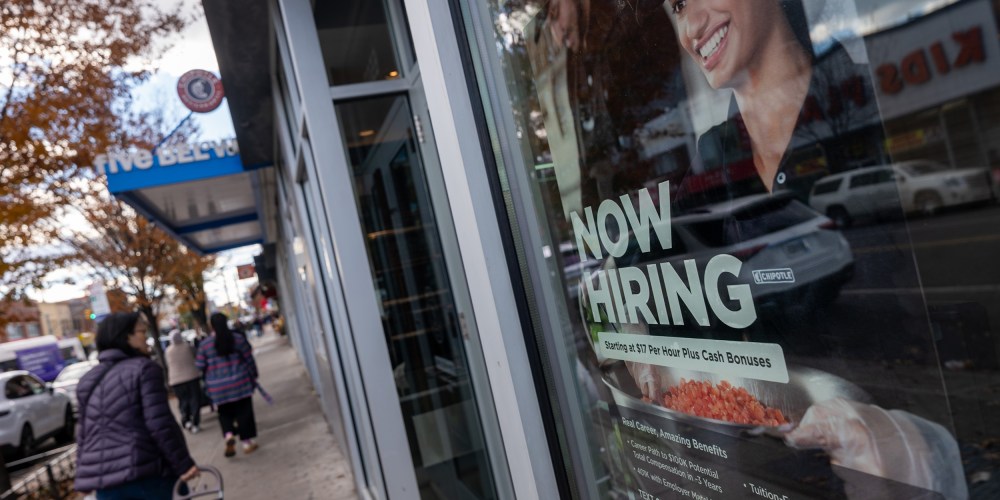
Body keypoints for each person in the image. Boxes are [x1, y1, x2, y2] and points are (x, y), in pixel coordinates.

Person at [75, 312, 199, 499]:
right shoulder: (144, 369)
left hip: (107, 487)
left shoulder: (87, 381)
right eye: (142, 332)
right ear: (126, 337)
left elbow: (84, 433)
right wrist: (184, 464)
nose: (146, 338)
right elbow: (160, 423)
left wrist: (83, 475)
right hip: (148, 476)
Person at [196, 312, 260, 457]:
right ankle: (246, 443)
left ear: (211, 326)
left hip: (218, 387)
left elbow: (199, 365)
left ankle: (229, 434)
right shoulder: (238, 339)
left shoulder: (205, 345)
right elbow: (248, 358)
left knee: (224, 413)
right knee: (244, 412)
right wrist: (254, 375)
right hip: (240, 382)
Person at [166, 330, 202, 433]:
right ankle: (195, 423)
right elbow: (197, 356)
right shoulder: (188, 347)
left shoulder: (168, 351)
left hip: (176, 380)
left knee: (183, 400)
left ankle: (186, 420)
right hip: (192, 377)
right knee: (194, 400)